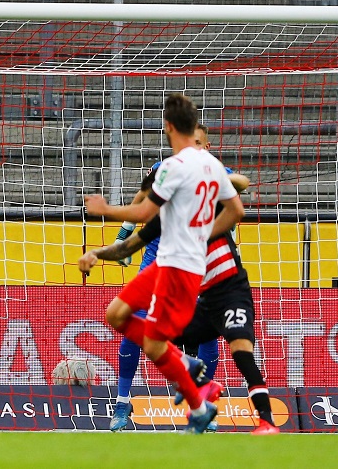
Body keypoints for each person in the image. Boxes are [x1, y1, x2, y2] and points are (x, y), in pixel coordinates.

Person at [79, 94, 245, 434]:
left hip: (179, 269)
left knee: (154, 344)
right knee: (116, 314)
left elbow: (143, 213)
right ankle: (189, 368)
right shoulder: (211, 167)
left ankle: (197, 403)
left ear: (168, 127)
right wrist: (203, 235)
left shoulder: (173, 167)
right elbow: (237, 211)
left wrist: (104, 208)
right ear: (191, 127)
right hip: (165, 262)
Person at [86, 184, 280, 435]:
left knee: (237, 348)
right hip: (183, 281)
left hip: (222, 288)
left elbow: (238, 192)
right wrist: (108, 244)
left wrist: (218, 178)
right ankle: (186, 384)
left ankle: (256, 417)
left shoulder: (209, 196)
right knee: (147, 335)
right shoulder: (163, 204)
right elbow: (138, 218)